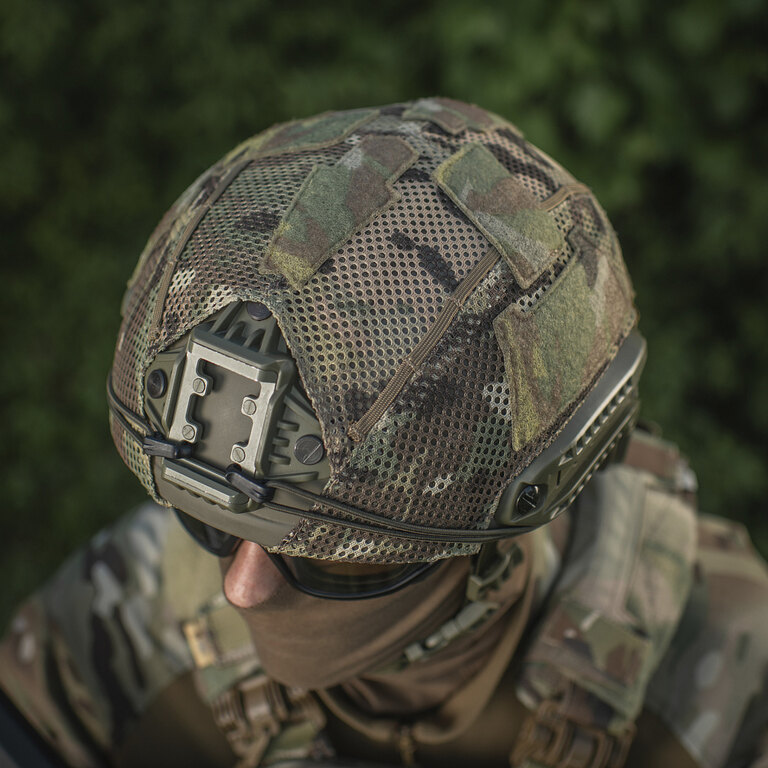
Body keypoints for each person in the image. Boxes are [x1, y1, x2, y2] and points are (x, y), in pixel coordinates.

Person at [1, 97, 767, 768]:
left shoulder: (730, 684)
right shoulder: (130, 613)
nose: (242, 589)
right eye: (214, 524)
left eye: (333, 559)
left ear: (500, 532)